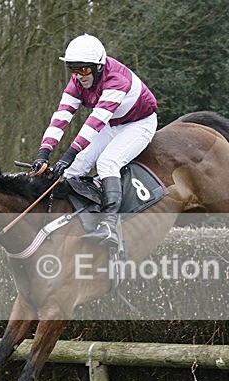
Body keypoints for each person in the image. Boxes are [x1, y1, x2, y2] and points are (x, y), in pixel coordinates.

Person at [30, 34, 158, 247]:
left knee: (107, 162)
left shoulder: (117, 80)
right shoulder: (76, 83)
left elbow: (94, 122)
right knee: (74, 170)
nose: (79, 76)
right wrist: (44, 153)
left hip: (139, 124)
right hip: (112, 123)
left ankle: (109, 226)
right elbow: (61, 116)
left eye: (84, 69)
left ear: (99, 67)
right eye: (73, 69)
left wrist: (68, 155)